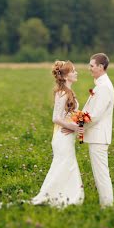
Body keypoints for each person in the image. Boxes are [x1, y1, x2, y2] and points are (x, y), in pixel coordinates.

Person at [63, 52, 114, 207]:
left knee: (101, 174)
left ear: (100, 66)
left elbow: (94, 116)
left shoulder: (104, 87)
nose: (89, 68)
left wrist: (77, 126)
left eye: (92, 66)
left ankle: (107, 206)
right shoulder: (100, 85)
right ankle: (106, 204)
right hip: (97, 136)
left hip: (99, 137)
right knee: (99, 173)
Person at [30, 60, 84, 207]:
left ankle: (64, 193)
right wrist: (73, 127)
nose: (76, 72)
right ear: (66, 76)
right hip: (62, 136)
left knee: (66, 165)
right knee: (64, 164)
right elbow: (56, 118)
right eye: (73, 71)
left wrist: (80, 121)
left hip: (67, 136)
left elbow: (70, 113)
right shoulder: (61, 93)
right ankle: (57, 195)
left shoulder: (69, 92)